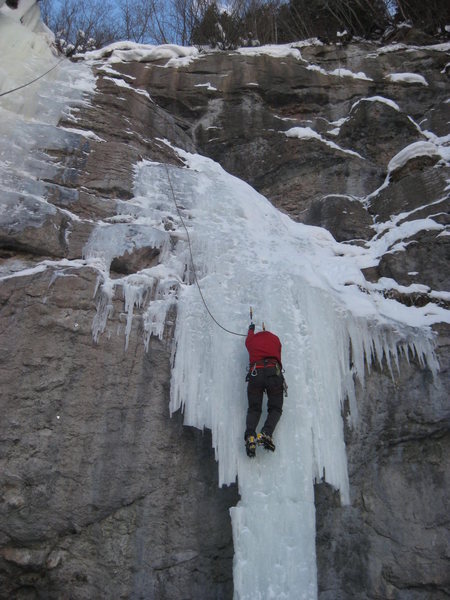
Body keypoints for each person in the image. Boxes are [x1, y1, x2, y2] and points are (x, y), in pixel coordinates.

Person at [244, 322, 285, 457]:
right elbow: (279, 353)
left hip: (256, 373)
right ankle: (266, 433)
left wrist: (251, 329)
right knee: (275, 408)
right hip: (273, 372)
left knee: (254, 408)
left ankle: (250, 437)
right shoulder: (275, 339)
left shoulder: (253, 340)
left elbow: (248, 341)